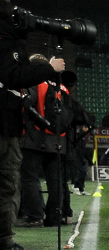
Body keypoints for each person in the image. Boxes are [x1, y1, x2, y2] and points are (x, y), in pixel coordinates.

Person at [0, 0, 64, 250]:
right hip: (8, 126)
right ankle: (4, 239)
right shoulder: (6, 43)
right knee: (9, 183)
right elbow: (14, 76)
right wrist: (48, 69)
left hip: (16, 127)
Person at [19, 68, 74, 227]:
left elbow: (26, 107)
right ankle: (54, 217)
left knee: (29, 177)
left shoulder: (36, 83)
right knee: (55, 181)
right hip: (58, 140)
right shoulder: (62, 88)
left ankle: (35, 216)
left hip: (36, 138)